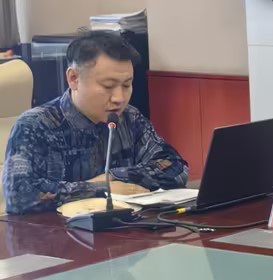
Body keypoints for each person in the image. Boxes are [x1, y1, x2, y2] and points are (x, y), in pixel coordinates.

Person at [2, 31, 188, 214]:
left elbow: (175, 167)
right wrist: (100, 188)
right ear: (73, 79)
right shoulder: (36, 125)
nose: (119, 98)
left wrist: (113, 177)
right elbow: (19, 195)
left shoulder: (129, 117)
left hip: (122, 228)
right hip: (56, 231)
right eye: (108, 86)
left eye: (126, 85)